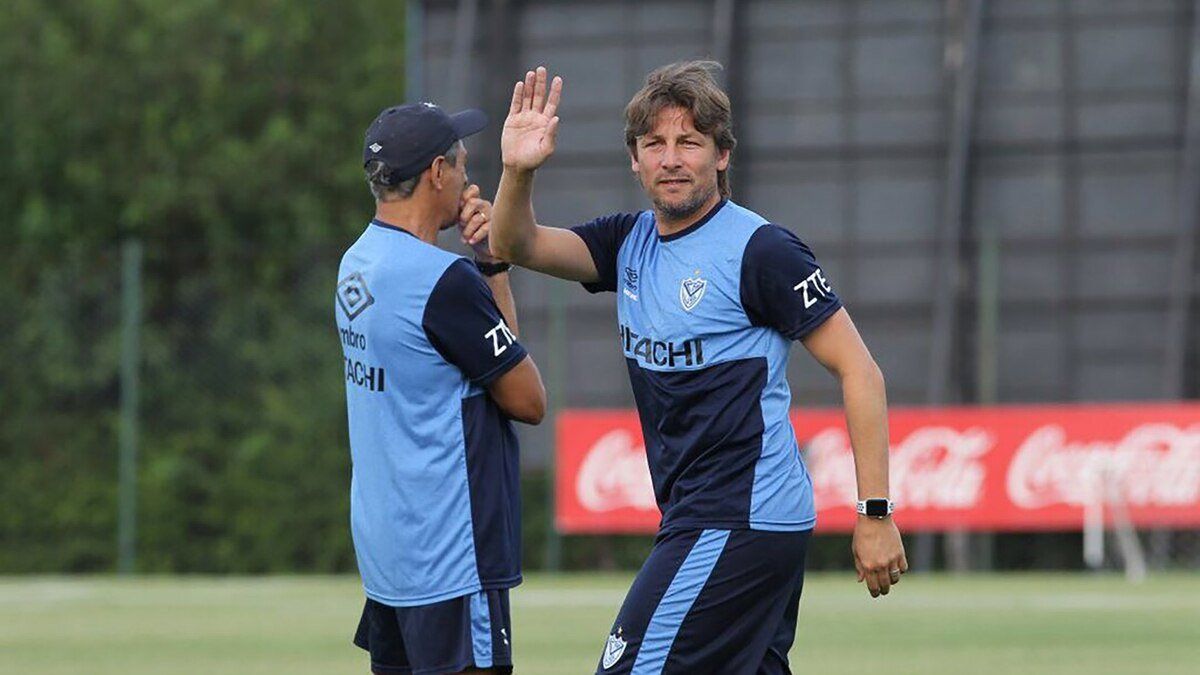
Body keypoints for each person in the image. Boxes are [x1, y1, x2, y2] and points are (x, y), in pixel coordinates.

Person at [490, 63, 906, 673]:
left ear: (722, 156)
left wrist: (875, 514)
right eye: (654, 144)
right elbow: (514, 244)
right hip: (713, 515)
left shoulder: (761, 251)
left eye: (689, 142)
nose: (671, 159)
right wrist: (517, 171)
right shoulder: (624, 243)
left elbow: (861, 371)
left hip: (739, 516)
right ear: (634, 159)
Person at [336, 101, 546, 675]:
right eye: (460, 162)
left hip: (390, 561)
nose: (465, 175)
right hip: (451, 561)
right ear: (436, 173)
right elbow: (528, 400)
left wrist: (484, 263)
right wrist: (492, 266)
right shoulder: (442, 283)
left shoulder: (356, 264)